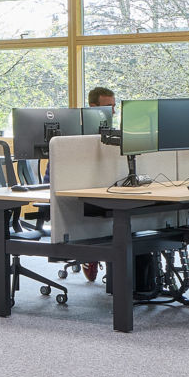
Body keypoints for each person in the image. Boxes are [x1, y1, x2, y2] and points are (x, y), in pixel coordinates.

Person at [83, 87, 115, 282]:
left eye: (113, 106)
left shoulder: (114, 134)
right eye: (107, 106)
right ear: (92, 107)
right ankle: (89, 254)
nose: (112, 111)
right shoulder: (77, 133)